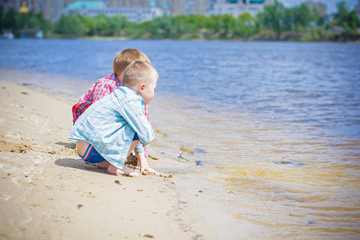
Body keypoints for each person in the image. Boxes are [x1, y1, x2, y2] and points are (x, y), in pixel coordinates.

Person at [69, 61, 158, 177]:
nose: (154, 92)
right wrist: (149, 137)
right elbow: (143, 131)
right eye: (154, 88)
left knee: (131, 126)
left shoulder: (119, 94)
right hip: (92, 150)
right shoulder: (132, 100)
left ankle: (106, 162)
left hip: (84, 147)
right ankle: (115, 165)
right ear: (142, 87)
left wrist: (141, 156)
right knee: (137, 129)